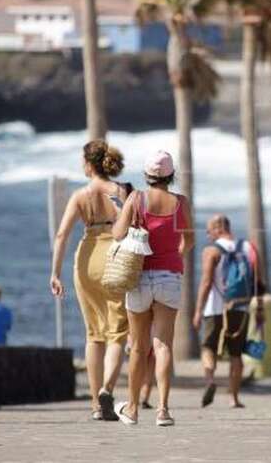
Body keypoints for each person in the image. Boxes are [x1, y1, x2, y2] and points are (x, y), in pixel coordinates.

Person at [112, 150, 194, 426]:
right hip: (169, 276)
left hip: (140, 278)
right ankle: (163, 411)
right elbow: (190, 240)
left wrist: (124, 209)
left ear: (147, 175)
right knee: (163, 346)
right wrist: (175, 255)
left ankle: (133, 409)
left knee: (137, 347)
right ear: (171, 175)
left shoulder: (137, 199)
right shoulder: (181, 202)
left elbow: (117, 234)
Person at [50, 140, 130, 421]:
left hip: (86, 259)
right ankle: (108, 388)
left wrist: (55, 273)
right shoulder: (122, 191)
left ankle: (96, 404)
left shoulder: (80, 196)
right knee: (118, 332)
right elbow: (134, 226)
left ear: (88, 164)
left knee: (94, 334)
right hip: (115, 256)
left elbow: (62, 235)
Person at [193, 214, 262, 409]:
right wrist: (259, 310)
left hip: (215, 307)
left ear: (219, 228)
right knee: (236, 353)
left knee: (208, 347)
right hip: (241, 306)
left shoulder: (211, 251)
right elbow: (258, 281)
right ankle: (234, 398)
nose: (207, 235)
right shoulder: (249, 248)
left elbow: (206, 282)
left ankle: (210, 380)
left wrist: (198, 310)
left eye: (209, 230)